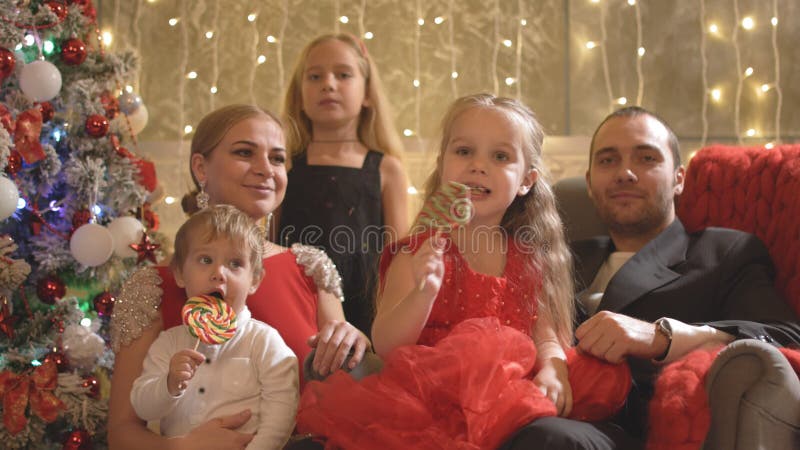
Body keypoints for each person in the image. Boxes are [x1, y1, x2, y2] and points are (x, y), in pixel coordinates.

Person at [293, 94, 631, 449]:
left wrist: (554, 367)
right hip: (432, 401)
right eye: (464, 151)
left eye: (500, 156)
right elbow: (389, 344)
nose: (478, 165)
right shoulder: (418, 251)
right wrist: (423, 291)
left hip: (517, 394)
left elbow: (547, 334)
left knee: (601, 374)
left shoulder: (530, 257)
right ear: (443, 166)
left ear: (526, 181)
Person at [501, 106, 800, 449]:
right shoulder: (558, 255)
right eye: (608, 161)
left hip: (632, 430)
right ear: (589, 182)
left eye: (646, 158)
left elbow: (786, 336)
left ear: (679, 178)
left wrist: (661, 336)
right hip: (528, 403)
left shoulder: (722, 251)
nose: (625, 173)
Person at [109, 104, 371, 450]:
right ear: (201, 167)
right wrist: (184, 447)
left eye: (277, 159)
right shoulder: (154, 286)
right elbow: (122, 434)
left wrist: (353, 345)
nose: (265, 169)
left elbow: (339, 401)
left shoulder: (311, 268)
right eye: (245, 153)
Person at [130, 205, 298, 449]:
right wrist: (169, 384)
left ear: (255, 280)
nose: (219, 273)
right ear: (179, 273)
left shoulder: (263, 341)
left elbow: (283, 409)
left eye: (235, 264)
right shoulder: (169, 343)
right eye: (205, 260)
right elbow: (142, 406)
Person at [279, 33, 410, 337]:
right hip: (295, 308)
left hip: (364, 316)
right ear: (299, 96)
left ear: (367, 94)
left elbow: (398, 258)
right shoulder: (283, 164)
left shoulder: (387, 169)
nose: (328, 83)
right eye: (315, 76)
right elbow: (270, 242)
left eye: (343, 74)